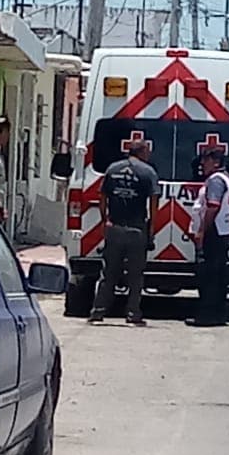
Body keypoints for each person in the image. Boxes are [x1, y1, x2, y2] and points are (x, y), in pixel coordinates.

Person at [88, 139, 160, 326]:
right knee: (135, 275)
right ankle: (133, 313)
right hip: (136, 230)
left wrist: (105, 220)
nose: (149, 154)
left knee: (109, 273)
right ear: (142, 152)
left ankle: (98, 312)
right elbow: (153, 203)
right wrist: (151, 229)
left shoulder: (113, 169)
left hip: (115, 228)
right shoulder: (148, 172)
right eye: (147, 151)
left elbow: (102, 197)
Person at [187, 147, 229, 327]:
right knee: (219, 276)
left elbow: (213, 206)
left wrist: (201, 230)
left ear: (216, 162)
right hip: (223, 231)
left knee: (209, 277)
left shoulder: (215, 181)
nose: (202, 163)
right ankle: (218, 314)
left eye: (206, 160)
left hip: (214, 232)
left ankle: (207, 316)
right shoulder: (226, 178)